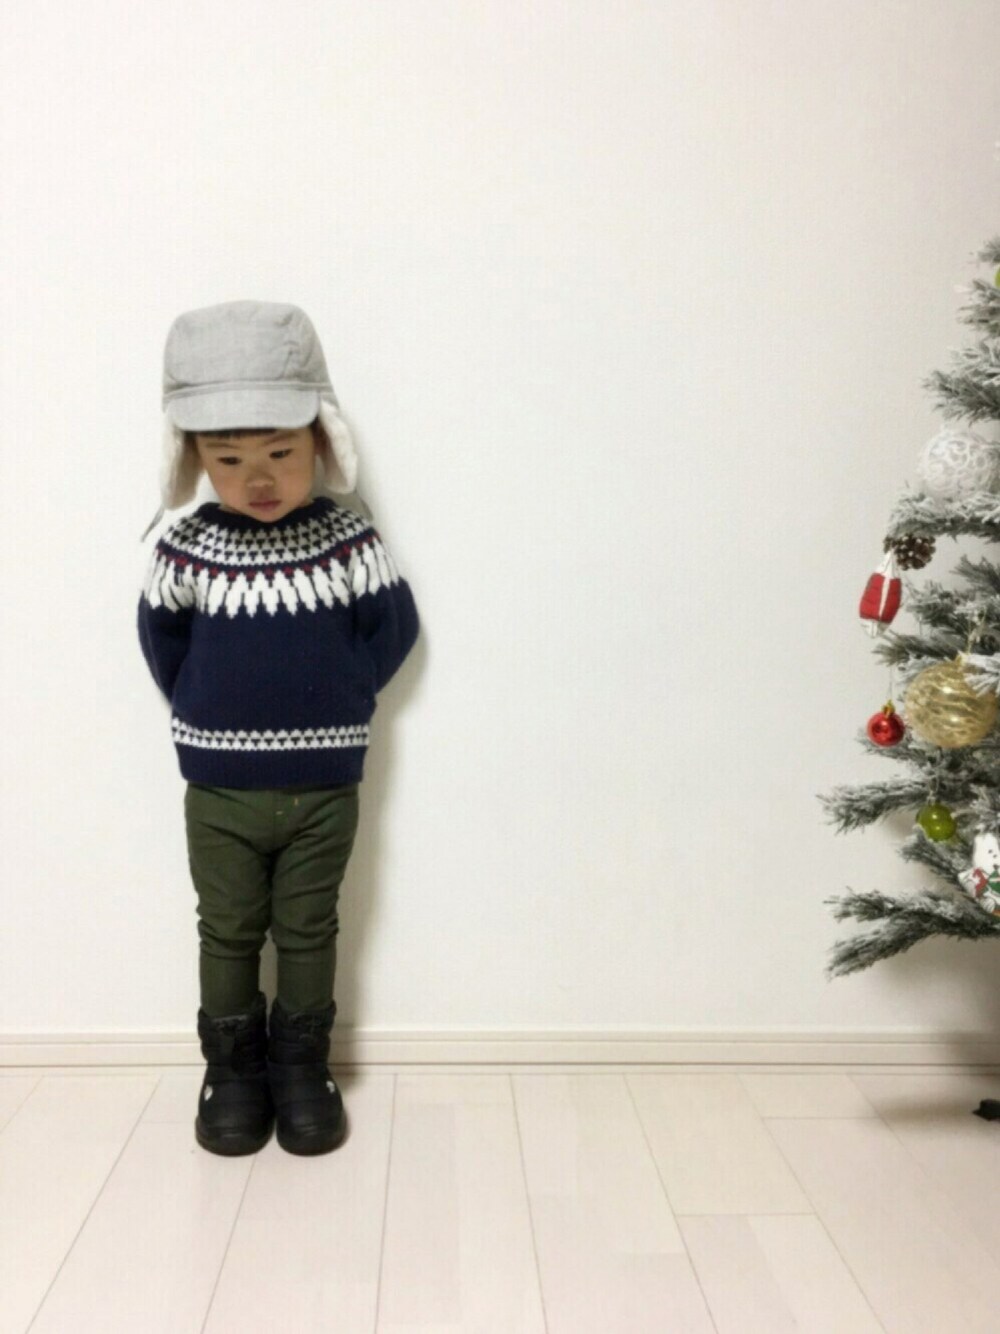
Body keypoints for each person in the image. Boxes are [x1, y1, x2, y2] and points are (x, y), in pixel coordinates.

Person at [137, 300, 419, 1157]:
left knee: (309, 928)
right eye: (229, 459)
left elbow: (392, 630)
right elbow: (162, 642)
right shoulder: (184, 547)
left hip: (324, 790)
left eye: (280, 454)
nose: (258, 479)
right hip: (218, 791)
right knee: (225, 930)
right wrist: (206, 709)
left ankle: (302, 1065)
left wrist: (341, 700)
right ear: (192, 456)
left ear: (321, 440)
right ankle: (232, 1071)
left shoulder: (349, 540)